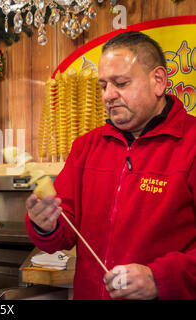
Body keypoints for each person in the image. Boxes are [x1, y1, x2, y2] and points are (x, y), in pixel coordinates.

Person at [25, 31, 196, 300]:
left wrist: (159, 278)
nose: (109, 95)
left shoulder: (191, 144)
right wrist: (44, 224)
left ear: (158, 81)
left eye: (121, 83)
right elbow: (63, 235)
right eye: (104, 85)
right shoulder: (86, 147)